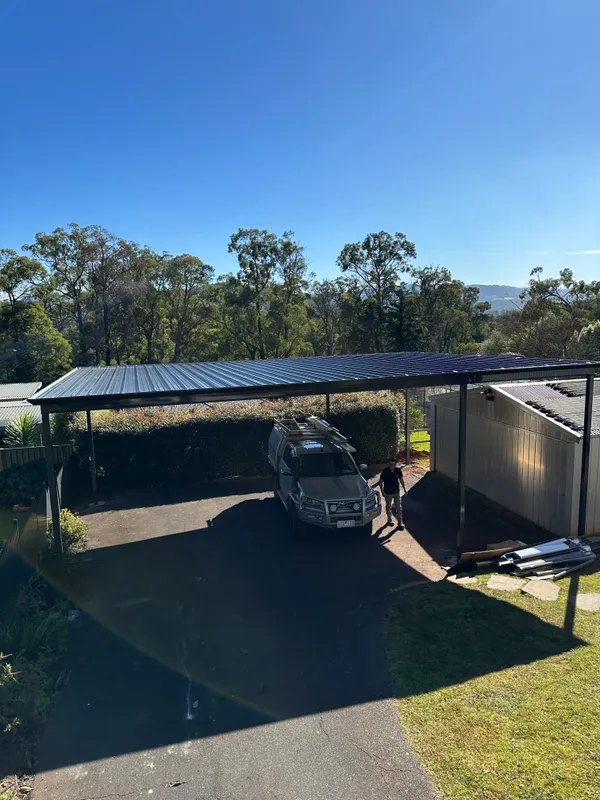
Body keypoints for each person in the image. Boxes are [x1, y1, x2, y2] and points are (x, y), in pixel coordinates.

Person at [374, 458, 407, 528]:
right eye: (390, 464)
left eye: (393, 464)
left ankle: (400, 523)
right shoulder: (385, 471)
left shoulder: (398, 471)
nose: (392, 466)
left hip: (396, 492)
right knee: (388, 506)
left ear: (395, 464)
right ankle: (389, 520)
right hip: (388, 493)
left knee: (398, 507)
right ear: (389, 464)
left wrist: (404, 489)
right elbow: (380, 482)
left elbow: (401, 480)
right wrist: (382, 491)